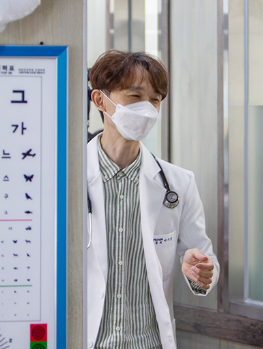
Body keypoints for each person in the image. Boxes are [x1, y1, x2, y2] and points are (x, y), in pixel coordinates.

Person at [85, 50, 219, 349]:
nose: (147, 108)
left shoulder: (179, 184)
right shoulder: (67, 179)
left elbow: (203, 260)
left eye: (155, 99)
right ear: (100, 101)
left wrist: (201, 271)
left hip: (150, 342)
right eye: (135, 96)